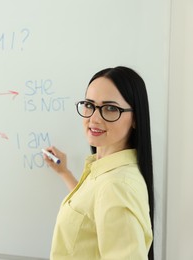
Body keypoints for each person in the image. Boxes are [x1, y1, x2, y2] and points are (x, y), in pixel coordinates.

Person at [43, 66, 154, 260]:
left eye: (110, 108)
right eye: (89, 105)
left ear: (135, 118)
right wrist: (64, 173)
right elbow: (88, 213)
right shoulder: (104, 172)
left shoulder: (116, 187)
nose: (94, 118)